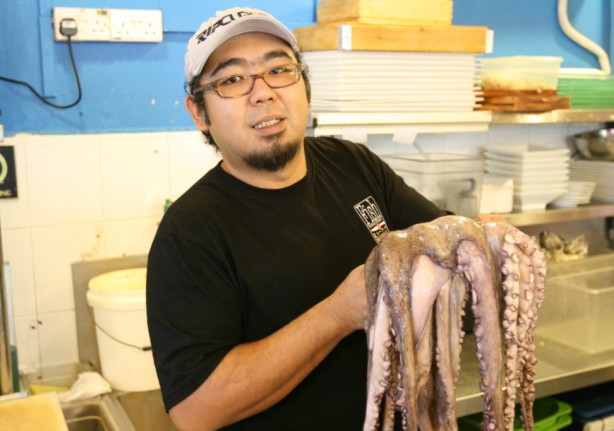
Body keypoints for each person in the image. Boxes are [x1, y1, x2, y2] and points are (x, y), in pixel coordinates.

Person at [146, 7, 450, 431]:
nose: (263, 92)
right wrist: (339, 313)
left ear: (304, 85)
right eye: (232, 80)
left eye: (278, 68)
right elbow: (196, 410)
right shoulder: (190, 232)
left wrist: (474, 238)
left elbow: (438, 241)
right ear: (200, 113)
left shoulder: (352, 163)